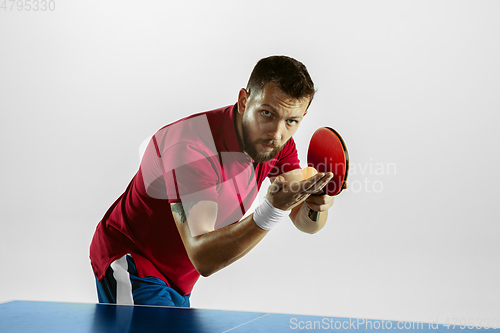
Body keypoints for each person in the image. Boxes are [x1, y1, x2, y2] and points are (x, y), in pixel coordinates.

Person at [90, 55, 338, 307]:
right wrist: (272, 210)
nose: (276, 132)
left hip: (179, 280)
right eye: (266, 113)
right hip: (133, 262)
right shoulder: (192, 149)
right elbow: (203, 257)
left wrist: (317, 202)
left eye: (291, 121)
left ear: (302, 118)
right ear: (244, 101)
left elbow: (305, 223)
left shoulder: (279, 145)